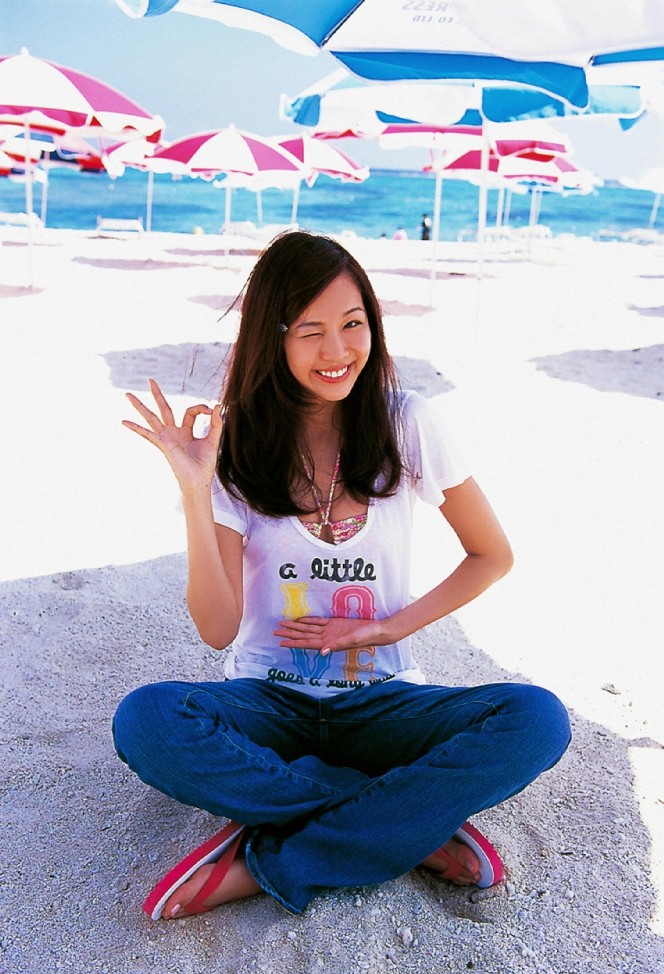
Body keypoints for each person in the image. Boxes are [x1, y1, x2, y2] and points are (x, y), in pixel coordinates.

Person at [114, 231, 570, 922]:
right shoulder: (235, 445)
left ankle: (270, 861)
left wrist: (388, 626)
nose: (338, 350)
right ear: (274, 340)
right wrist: (195, 491)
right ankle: (406, 826)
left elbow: (491, 555)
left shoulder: (406, 422)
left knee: (536, 719)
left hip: (382, 702)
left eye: (353, 324)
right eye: (311, 331)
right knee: (146, 719)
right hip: (268, 702)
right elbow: (216, 628)